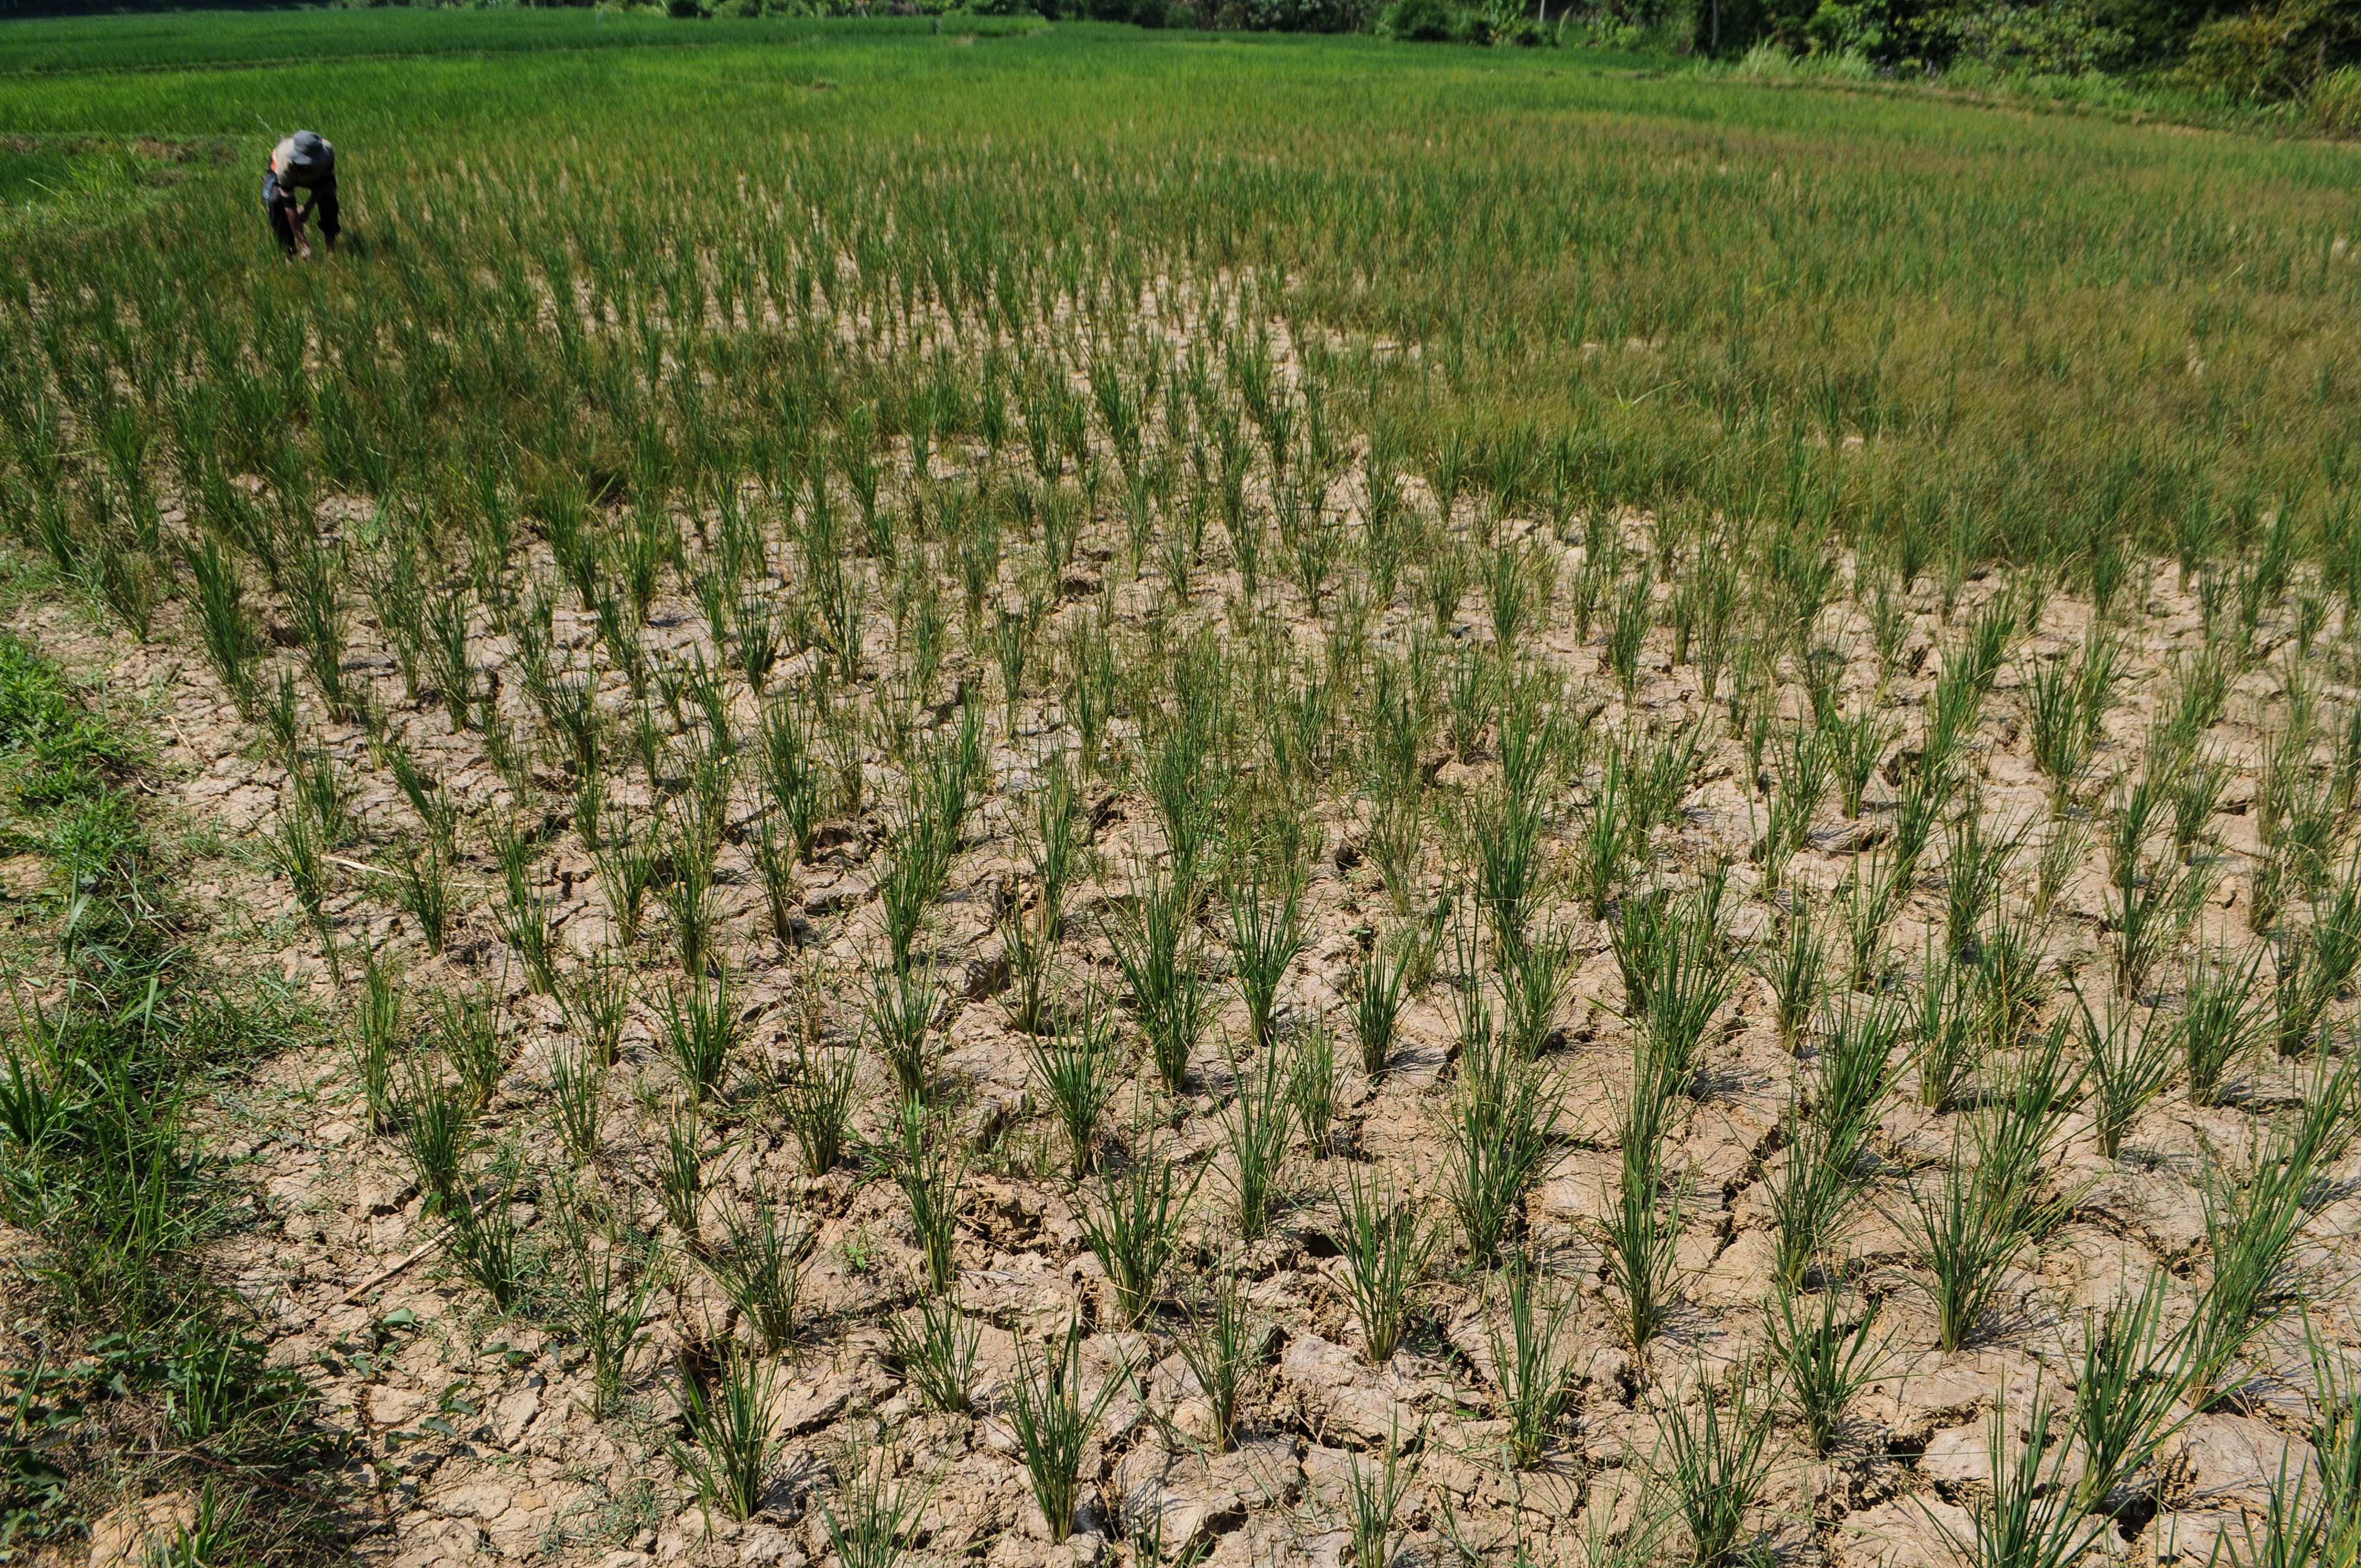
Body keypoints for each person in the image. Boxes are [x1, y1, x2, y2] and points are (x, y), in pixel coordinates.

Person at [263, 130, 338, 260]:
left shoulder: (328, 152)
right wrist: (304, 244)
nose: (314, 167)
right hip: (280, 172)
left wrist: (307, 209)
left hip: (317, 180)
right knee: (275, 201)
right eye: (309, 163)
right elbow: (289, 206)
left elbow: (326, 184)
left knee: (329, 196)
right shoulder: (285, 162)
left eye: (317, 161)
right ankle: (289, 252)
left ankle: (330, 247)